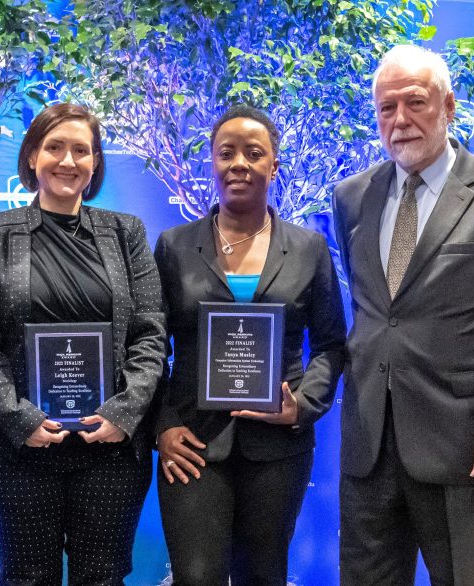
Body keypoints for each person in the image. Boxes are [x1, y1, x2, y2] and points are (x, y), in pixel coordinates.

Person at [332, 44, 474, 585]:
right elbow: (375, 311)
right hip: (370, 445)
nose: (399, 120)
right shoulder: (352, 197)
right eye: (386, 108)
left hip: (464, 447)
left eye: (415, 103)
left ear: (448, 106)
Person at [0, 103, 167, 584]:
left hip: (110, 449)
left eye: (81, 150)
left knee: (103, 577)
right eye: (55, 147)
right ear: (32, 156)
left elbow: (151, 330)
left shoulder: (126, 232)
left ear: (95, 163)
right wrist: (18, 416)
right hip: (20, 449)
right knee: (25, 576)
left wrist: (125, 411)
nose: (67, 161)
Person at [153, 105, 347, 585]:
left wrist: (302, 406)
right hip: (192, 443)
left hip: (279, 447)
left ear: (274, 166)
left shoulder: (308, 248)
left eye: (254, 153)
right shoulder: (174, 246)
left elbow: (331, 343)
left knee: (263, 575)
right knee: (196, 576)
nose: (239, 163)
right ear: (212, 164)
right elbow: (149, 345)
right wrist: (162, 426)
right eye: (226, 153)